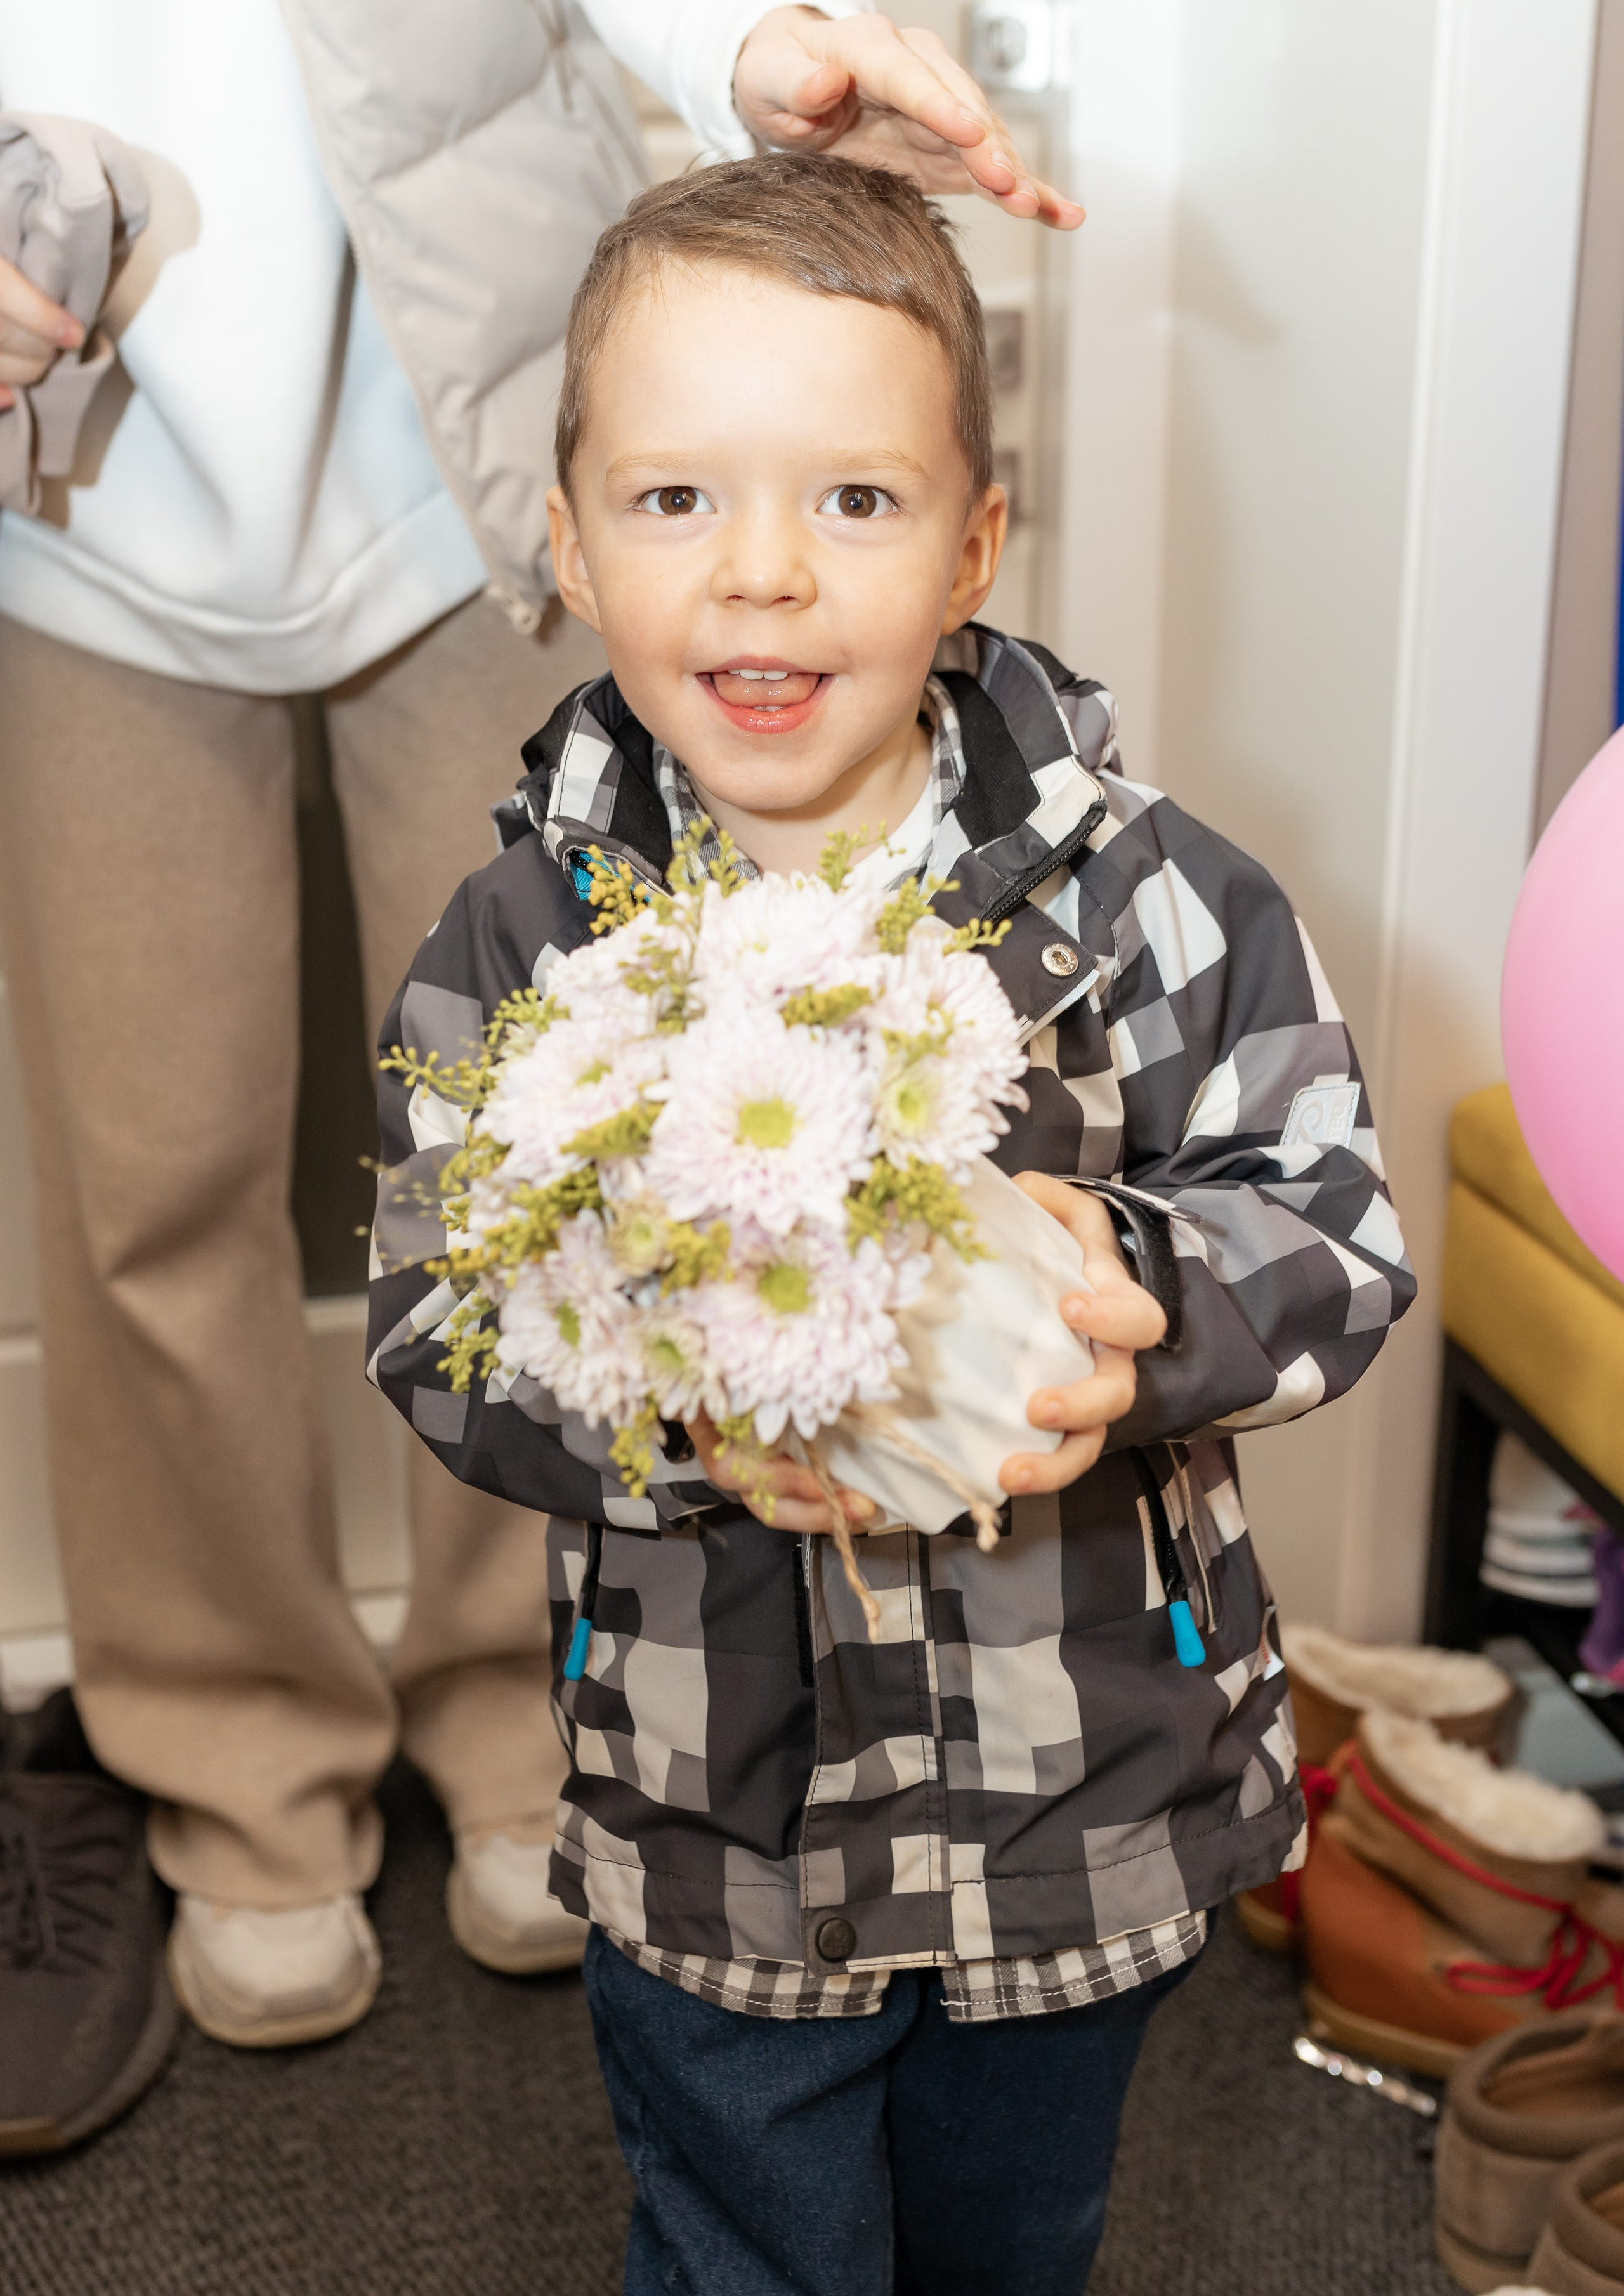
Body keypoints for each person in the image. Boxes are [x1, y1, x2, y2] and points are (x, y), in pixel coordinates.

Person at [0, 0, 1082, 2112]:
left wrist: (777, 11)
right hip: (71, 501)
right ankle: (238, 1777)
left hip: (466, 446)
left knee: (558, 1145)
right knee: (153, 1176)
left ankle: (530, 1716)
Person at [369, 152, 1415, 2295]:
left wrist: (1148, 1304)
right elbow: (433, 1312)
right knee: (747, 2248)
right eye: (675, 503)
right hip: (712, 1808)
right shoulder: (523, 945)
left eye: (853, 501)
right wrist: (659, 1414)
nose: (764, 577)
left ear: (971, 548)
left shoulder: (1156, 906)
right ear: (566, 546)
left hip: (1083, 1793)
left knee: (1015, 2246)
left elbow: (1337, 1230)